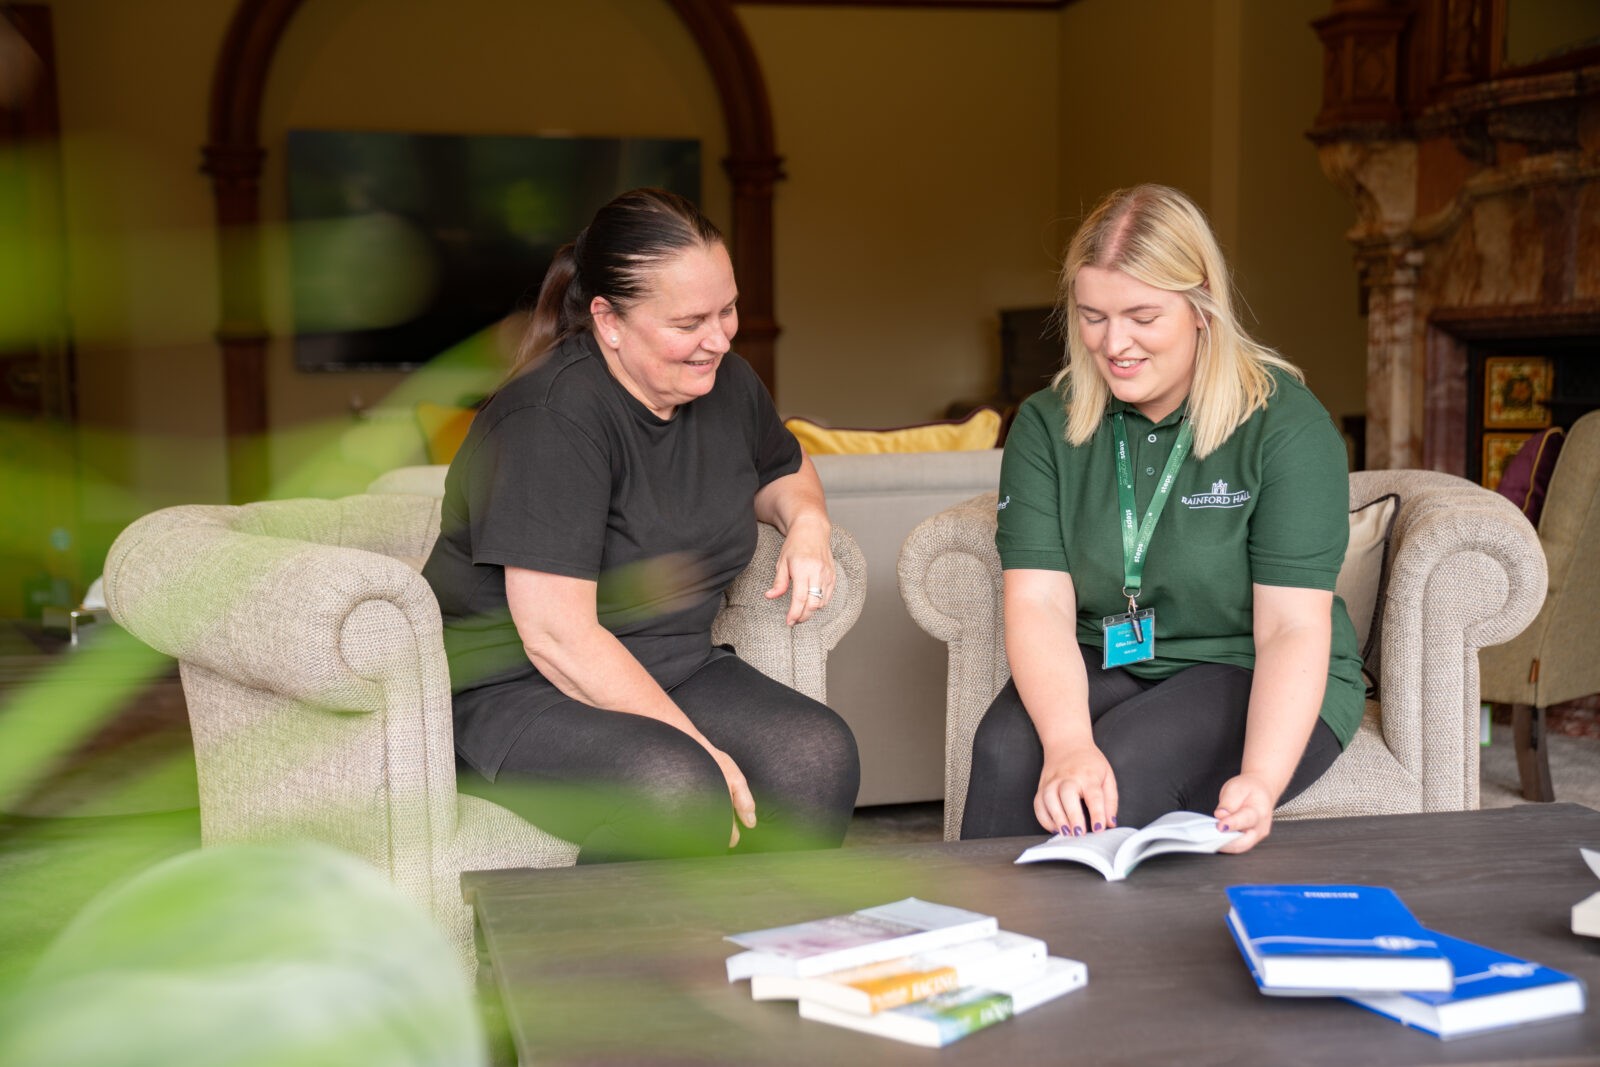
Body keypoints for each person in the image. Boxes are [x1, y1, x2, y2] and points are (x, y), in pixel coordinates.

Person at [422, 188, 859, 863]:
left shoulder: (726, 384)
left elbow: (784, 467)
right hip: (515, 688)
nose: (719, 338)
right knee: (678, 789)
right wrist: (700, 747)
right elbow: (557, 635)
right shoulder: (548, 419)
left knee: (818, 756)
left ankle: (756, 928)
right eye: (689, 322)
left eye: (727, 309)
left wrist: (808, 524)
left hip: (672, 663)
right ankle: (584, 936)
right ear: (609, 321)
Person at [960, 184, 1364, 854]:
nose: (1113, 343)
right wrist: (1067, 744)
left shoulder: (1287, 425)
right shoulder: (1045, 424)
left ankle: (1090, 925)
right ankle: (984, 922)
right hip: (1113, 656)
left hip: (1249, 664)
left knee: (1127, 760)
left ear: (1201, 307)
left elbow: (1291, 627)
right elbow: (1038, 602)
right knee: (1006, 746)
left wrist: (1261, 778)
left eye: (1142, 316)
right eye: (1092, 316)